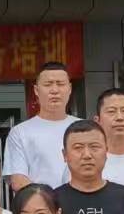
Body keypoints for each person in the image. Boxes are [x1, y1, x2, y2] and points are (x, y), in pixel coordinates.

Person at [4, 60, 76, 191]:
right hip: (40, 202)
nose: (55, 90)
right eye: (48, 84)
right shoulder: (20, 132)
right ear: (36, 90)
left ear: (70, 88)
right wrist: (47, 201)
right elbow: (19, 180)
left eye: (60, 84)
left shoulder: (85, 128)